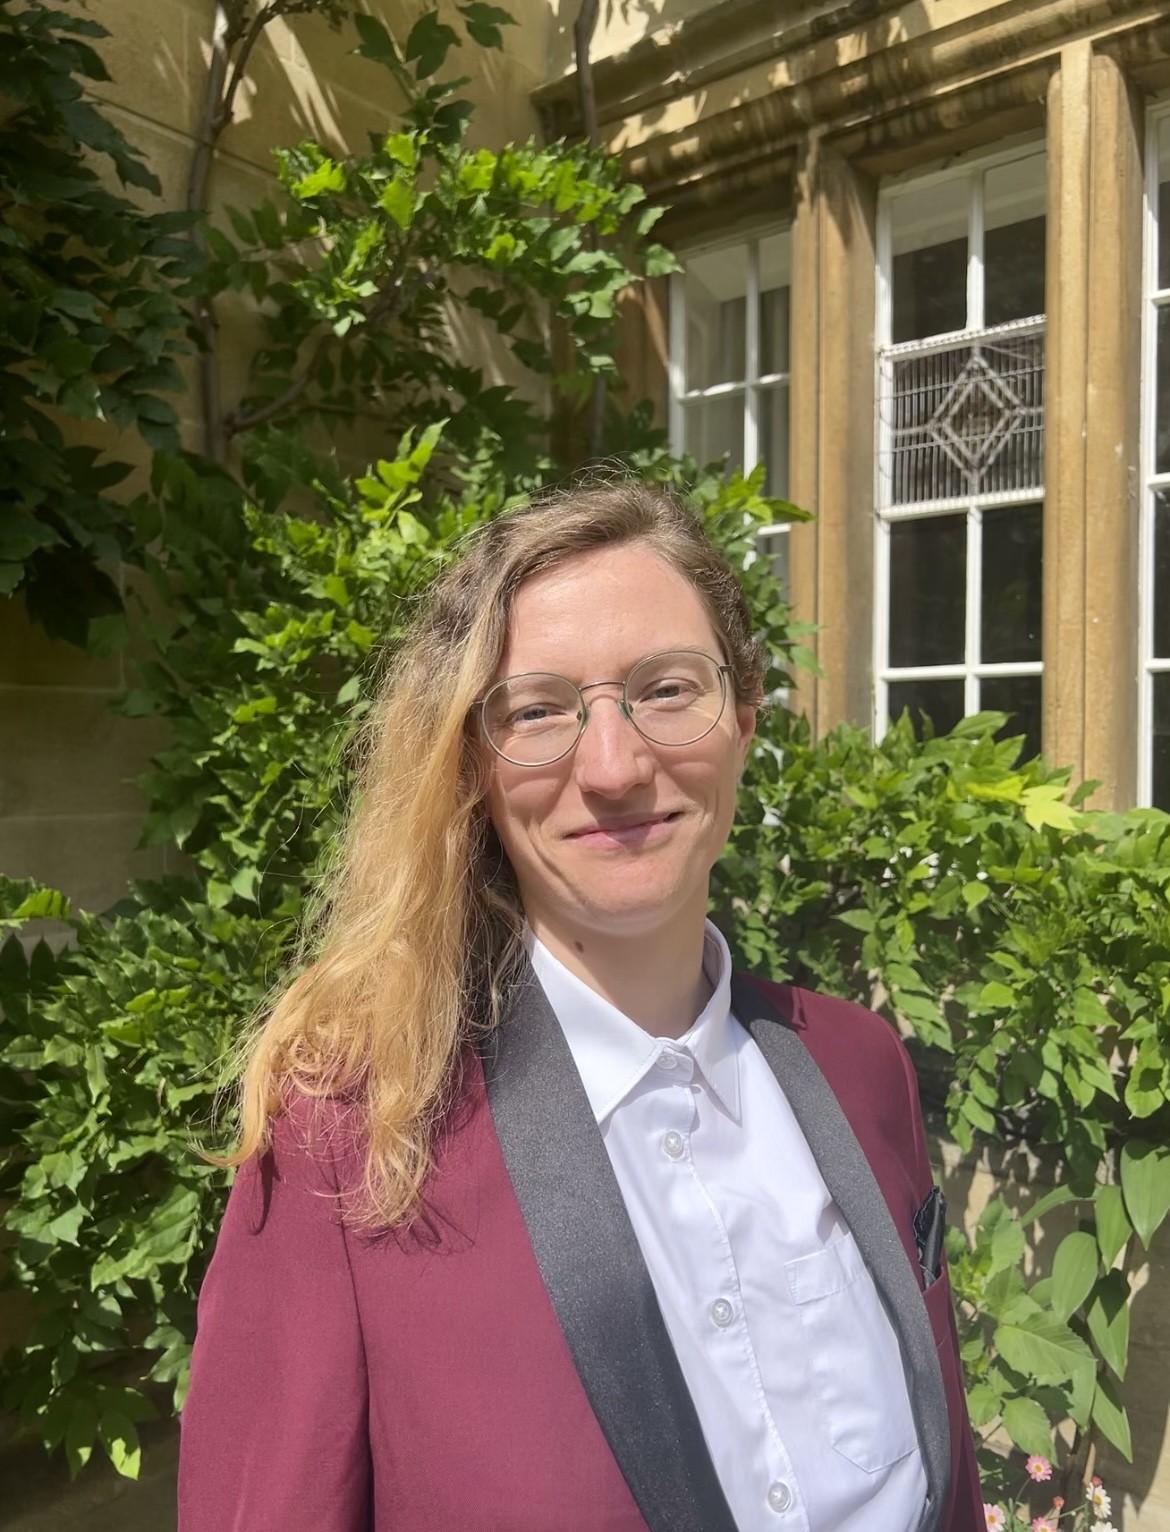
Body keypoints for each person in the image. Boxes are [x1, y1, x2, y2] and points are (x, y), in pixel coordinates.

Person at [178, 479, 983, 1532]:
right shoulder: (351, 1135)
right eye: (539, 710)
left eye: (667, 688)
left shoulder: (858, 1062)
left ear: (743, 718)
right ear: (474, 764)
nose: (614, 766)